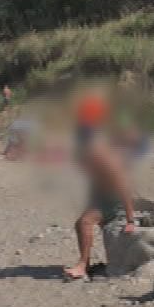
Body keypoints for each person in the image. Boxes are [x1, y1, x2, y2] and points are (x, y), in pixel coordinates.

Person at [63, 91, 136, 281]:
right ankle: (85, 264)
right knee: (82, 222)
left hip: (114, 202)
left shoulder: (104, 152)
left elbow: (122, 184)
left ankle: (82, 265)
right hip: (102, 199)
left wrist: (130, 219)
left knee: (84, 222)